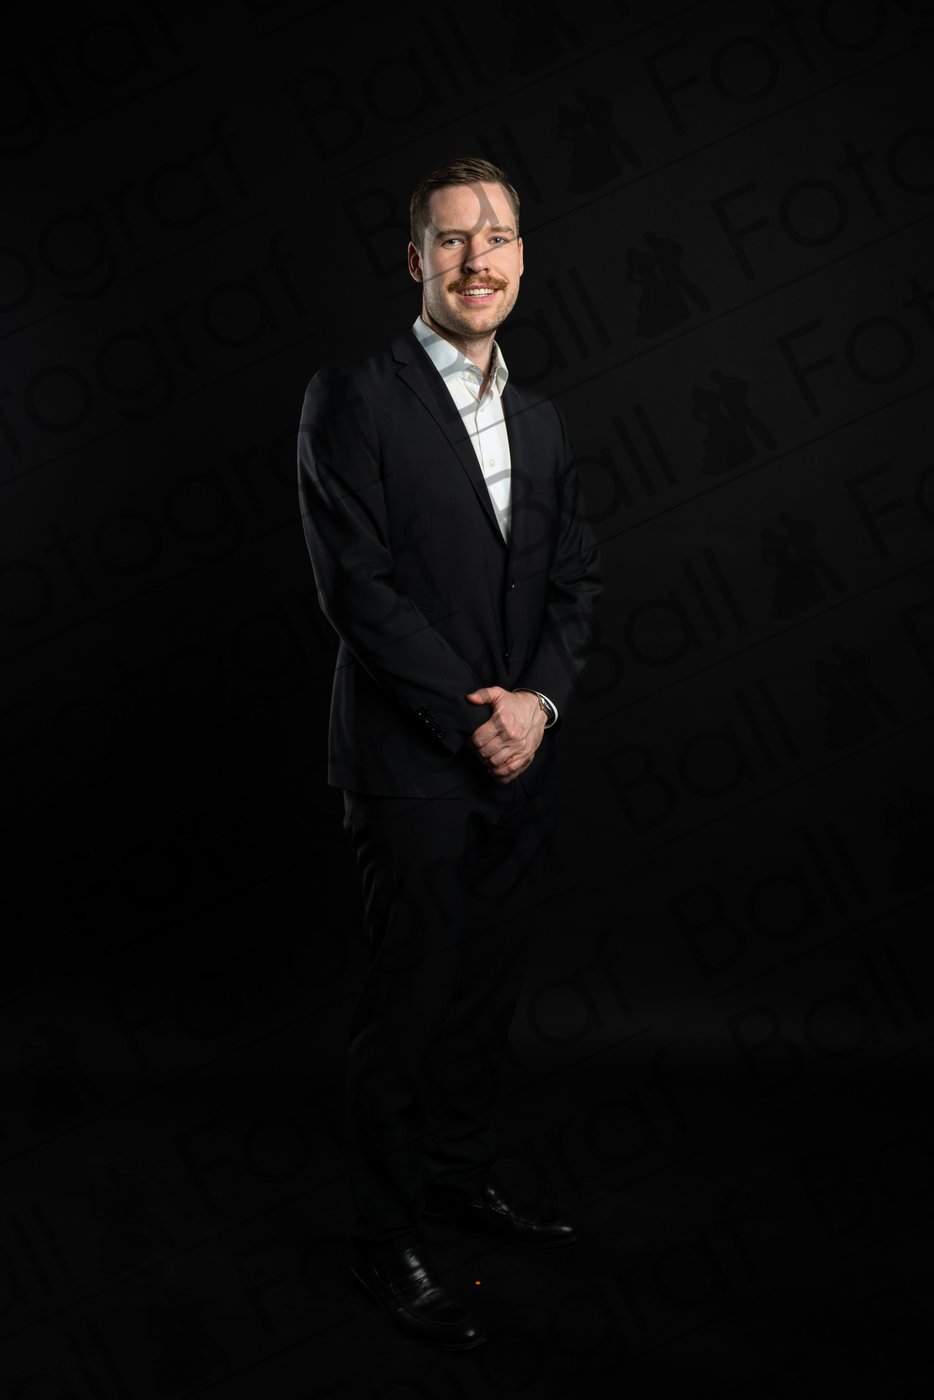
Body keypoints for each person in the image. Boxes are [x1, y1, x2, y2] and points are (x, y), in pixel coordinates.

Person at [296, 155, 603, 1350]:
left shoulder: (542, 417)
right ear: (415, 258)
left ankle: (462, 1178)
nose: (479, 257)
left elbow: (573, 581)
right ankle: (385, 1233)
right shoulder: (351, 398)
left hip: (522, 756)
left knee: (485, 992)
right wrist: (472, 715)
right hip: (410, 760)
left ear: (523, 255)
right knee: (408, 999)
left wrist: (537, 706)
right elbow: (357, 587)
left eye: (499, 235)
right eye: (453, 237)